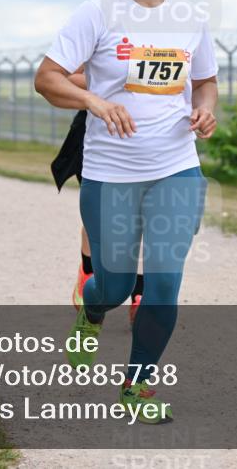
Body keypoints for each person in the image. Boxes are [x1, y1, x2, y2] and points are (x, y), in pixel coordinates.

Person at [36, 0, 218, 424]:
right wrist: (93, 101)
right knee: (114, 286)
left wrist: (207, 108)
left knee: (163, 282)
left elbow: (204, 81)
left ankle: (138, 386)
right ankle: (92, 311)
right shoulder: (96, 13)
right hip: (111, 171)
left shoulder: (190, 16)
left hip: (176, 166)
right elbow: (47, 79)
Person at [52, 74, 145, 325]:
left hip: (150, 138)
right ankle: (88, 271)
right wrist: (118, 81)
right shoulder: (98, 33)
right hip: (99, 137)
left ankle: (140, 293)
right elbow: (65, 75)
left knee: (144, 218)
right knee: (103, 217)